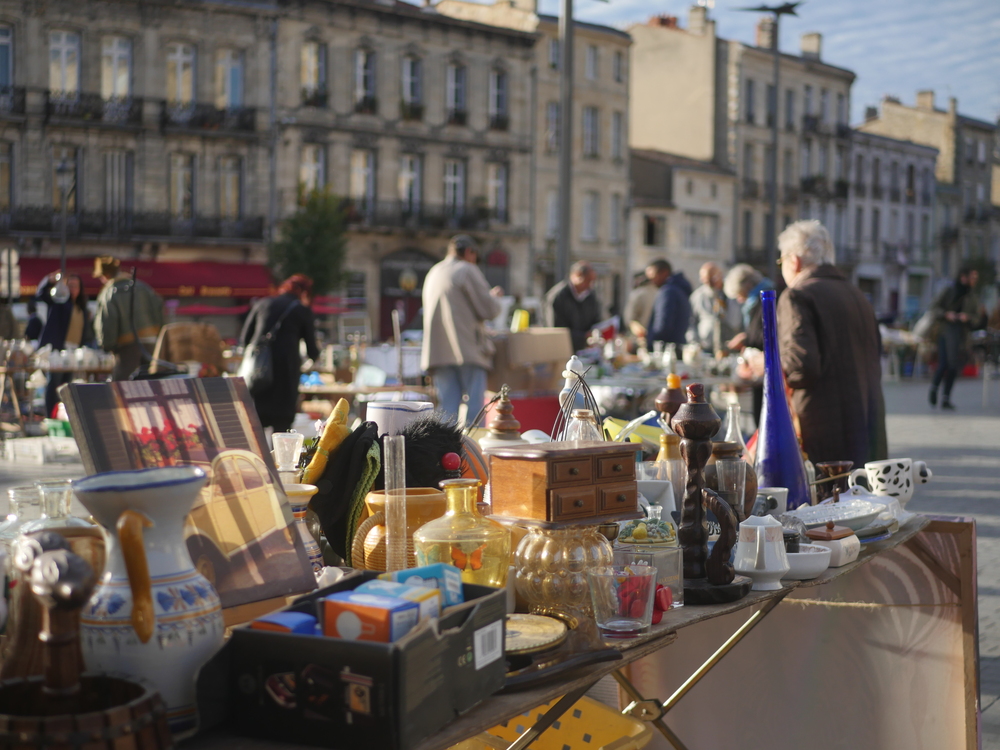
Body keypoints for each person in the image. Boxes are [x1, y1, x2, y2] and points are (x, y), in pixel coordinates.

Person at [776, 220, 887, 466]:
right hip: (868, 422)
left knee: (829, 502)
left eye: (781, 261)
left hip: (826, 431)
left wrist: (765, 364)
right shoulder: (856, 294)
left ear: (793, 261)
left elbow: (800, 366)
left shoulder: (797, 295)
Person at [421, 234, 503, 425]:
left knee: (447, 410)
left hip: (439, 352)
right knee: (474, 411)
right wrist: (495, 297)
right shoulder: (466, 270)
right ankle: (471, 454)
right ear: (469, 252)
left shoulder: (434, 271)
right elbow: (490, 309)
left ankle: (445, 452)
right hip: (467, 349)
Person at [241, 274, 320, 433]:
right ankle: (279, 457)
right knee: (282, 429)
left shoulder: (262, 304)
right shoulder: (302, 310)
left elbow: (244, 339)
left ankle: (259, 457)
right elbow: (313, 351)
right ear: (304, 292)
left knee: (257, 427)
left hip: (260, 376)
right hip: (286, 375)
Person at [93, 257, 164, 380]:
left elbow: (108, 322)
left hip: (128, 346)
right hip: (152, 342)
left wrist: (108, 345)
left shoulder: (108, 293)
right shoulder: (142, 286)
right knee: (150, 384)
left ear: (105, 275)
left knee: (121, 386)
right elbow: (159, 308)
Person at [36, 273, 94, 417]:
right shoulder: (59, 303)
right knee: (54, 384)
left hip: (74, 351)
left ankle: (61, 414)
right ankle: (50, 415)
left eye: (76, 286)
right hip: (58, 351)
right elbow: (43, 295)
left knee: (66, 386)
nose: (73, 289)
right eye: (70, 286)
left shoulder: (81, 307)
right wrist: (49, 281)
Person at [724, 263, 773, 426]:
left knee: (764, 417)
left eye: (739, 294)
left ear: (748, 285)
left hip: (765, 367)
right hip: (760, 368)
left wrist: (747, 341)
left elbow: (766, 333)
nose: (739, 299)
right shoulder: (753, 302)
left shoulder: (764, 299)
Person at [928, 266, 982, 410]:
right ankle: (934, 389)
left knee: (953, 365)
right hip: (946, 331)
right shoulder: (949, 291)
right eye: (972, 276)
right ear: (963, 277)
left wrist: (968, 317)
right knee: (945, 364)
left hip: (961, 334)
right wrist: (947, 314)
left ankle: (946, 398)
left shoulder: (972, 296)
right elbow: (934, 308)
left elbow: (977, 318)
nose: (975, 280)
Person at [545, 261, 601, 352]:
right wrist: (583, 337)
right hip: (561, 350)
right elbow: (556, 328)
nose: (590, 286)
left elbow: (595, 319)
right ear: (578, 275)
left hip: (585, 350)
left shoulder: (590, 296)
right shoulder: (558, 296)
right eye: (588, 281)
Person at [688, 261, 742, 353]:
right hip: (707, 347)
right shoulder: (698, 296)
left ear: (720, 275)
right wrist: (694, 343)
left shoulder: (733, 293)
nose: (709, 283)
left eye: (712, 278)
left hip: (731, 346)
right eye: (705, 279)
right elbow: (691, 322)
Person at [646, 260, 692, 357]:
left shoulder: (667, 292)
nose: (651, 280)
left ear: (664, 273)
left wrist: (650, 342)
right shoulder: (679, 289)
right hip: (678, 347)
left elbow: (662, 324)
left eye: (653, 276)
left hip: (666, 350)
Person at [624, 260, 670, 340]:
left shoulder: (639, 293)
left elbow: (630, 319)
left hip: (645, 337)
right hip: (649, 336)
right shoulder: (659, 291)